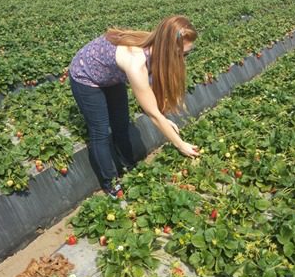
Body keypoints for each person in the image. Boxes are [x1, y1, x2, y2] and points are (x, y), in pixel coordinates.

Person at [69, 15, 200, 198]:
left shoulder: (156, 45)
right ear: (169, 49)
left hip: (111, 76)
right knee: (101, 131)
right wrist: (180, 144)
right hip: (86, 76)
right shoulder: (136, 63)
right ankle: (111, 184)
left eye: (187, 53)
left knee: (121, 123)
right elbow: (152, 114)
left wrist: (164, 119)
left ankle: (128, 167)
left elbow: (154, 98)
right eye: (182, 54)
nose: (184, 59)